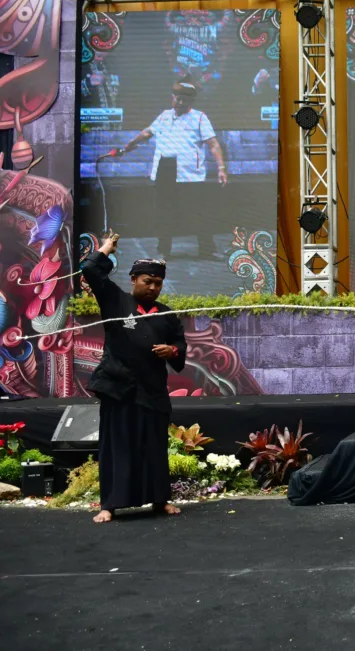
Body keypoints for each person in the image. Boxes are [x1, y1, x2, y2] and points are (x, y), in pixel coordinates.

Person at [81, 234, 188, 524]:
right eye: (147, 281)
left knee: (154, 447)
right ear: (133, 279)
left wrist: (172, 350)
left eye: (158, 283)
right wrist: (106, 249)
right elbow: (90, 269)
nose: (153, 287)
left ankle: (160, 500)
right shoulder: (115, 301)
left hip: (152, 391)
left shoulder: (167, 315)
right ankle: (109, 505)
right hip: (119, 389)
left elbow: (180, 345)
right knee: (116, 447)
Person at [116, 77, 227, 258]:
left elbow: (213, 144)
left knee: (198, 213)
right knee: (164, 212)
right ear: (172, 97)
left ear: (191, 101)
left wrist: (221, 168)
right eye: (177, 99)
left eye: (185, 100)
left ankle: (208, 250)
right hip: (165, 169)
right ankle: (163, 251)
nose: (180, 103)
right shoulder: (164, 116)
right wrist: (127, 147)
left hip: (189, 173)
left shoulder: (199, 118)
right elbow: (147, 133)